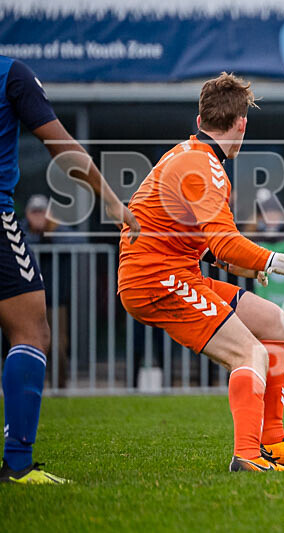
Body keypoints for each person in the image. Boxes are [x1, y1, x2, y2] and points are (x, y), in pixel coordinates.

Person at [117, 72, 284, 473]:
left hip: (174, 272)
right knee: (249, 352)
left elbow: (202, 242)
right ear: (242, 124)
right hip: (157, 280)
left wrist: (243, 265)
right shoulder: (203, 166)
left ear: (200, 121)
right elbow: (224, 243)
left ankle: (271, 441)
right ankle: (247, 456)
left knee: (274, 322)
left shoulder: (189, 153)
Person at [0, 56, 139, 484]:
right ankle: (18, 464)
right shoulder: (10, 73)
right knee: (31, 332)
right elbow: (61, 147)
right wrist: (112, 200)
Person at [21, 194, 85, 389]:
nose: (39, 216)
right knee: (26, 342)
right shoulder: (22, 229)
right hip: (27, 300)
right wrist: (36, 233)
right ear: (27, 213)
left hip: (56, 297)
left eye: (43, 211)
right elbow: (15, 244)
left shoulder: (59, 228)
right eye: (35, 212)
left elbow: (79, 242)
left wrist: (49, 231)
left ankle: (59, 387)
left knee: (57, 344)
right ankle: (29, 387)